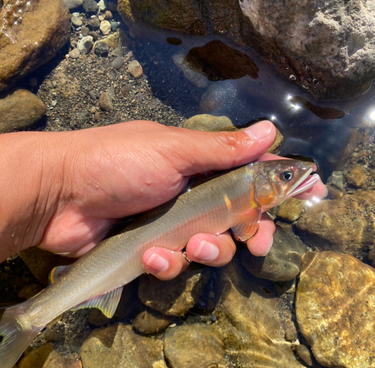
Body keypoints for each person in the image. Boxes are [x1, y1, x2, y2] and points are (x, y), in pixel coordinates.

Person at [0, 120, 326, 279]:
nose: (294, 177)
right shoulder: (249, 204)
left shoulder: (251, 200)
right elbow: (245, 231)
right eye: (286, 176)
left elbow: (245, 230)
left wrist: (56, 187)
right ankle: (32, 317)